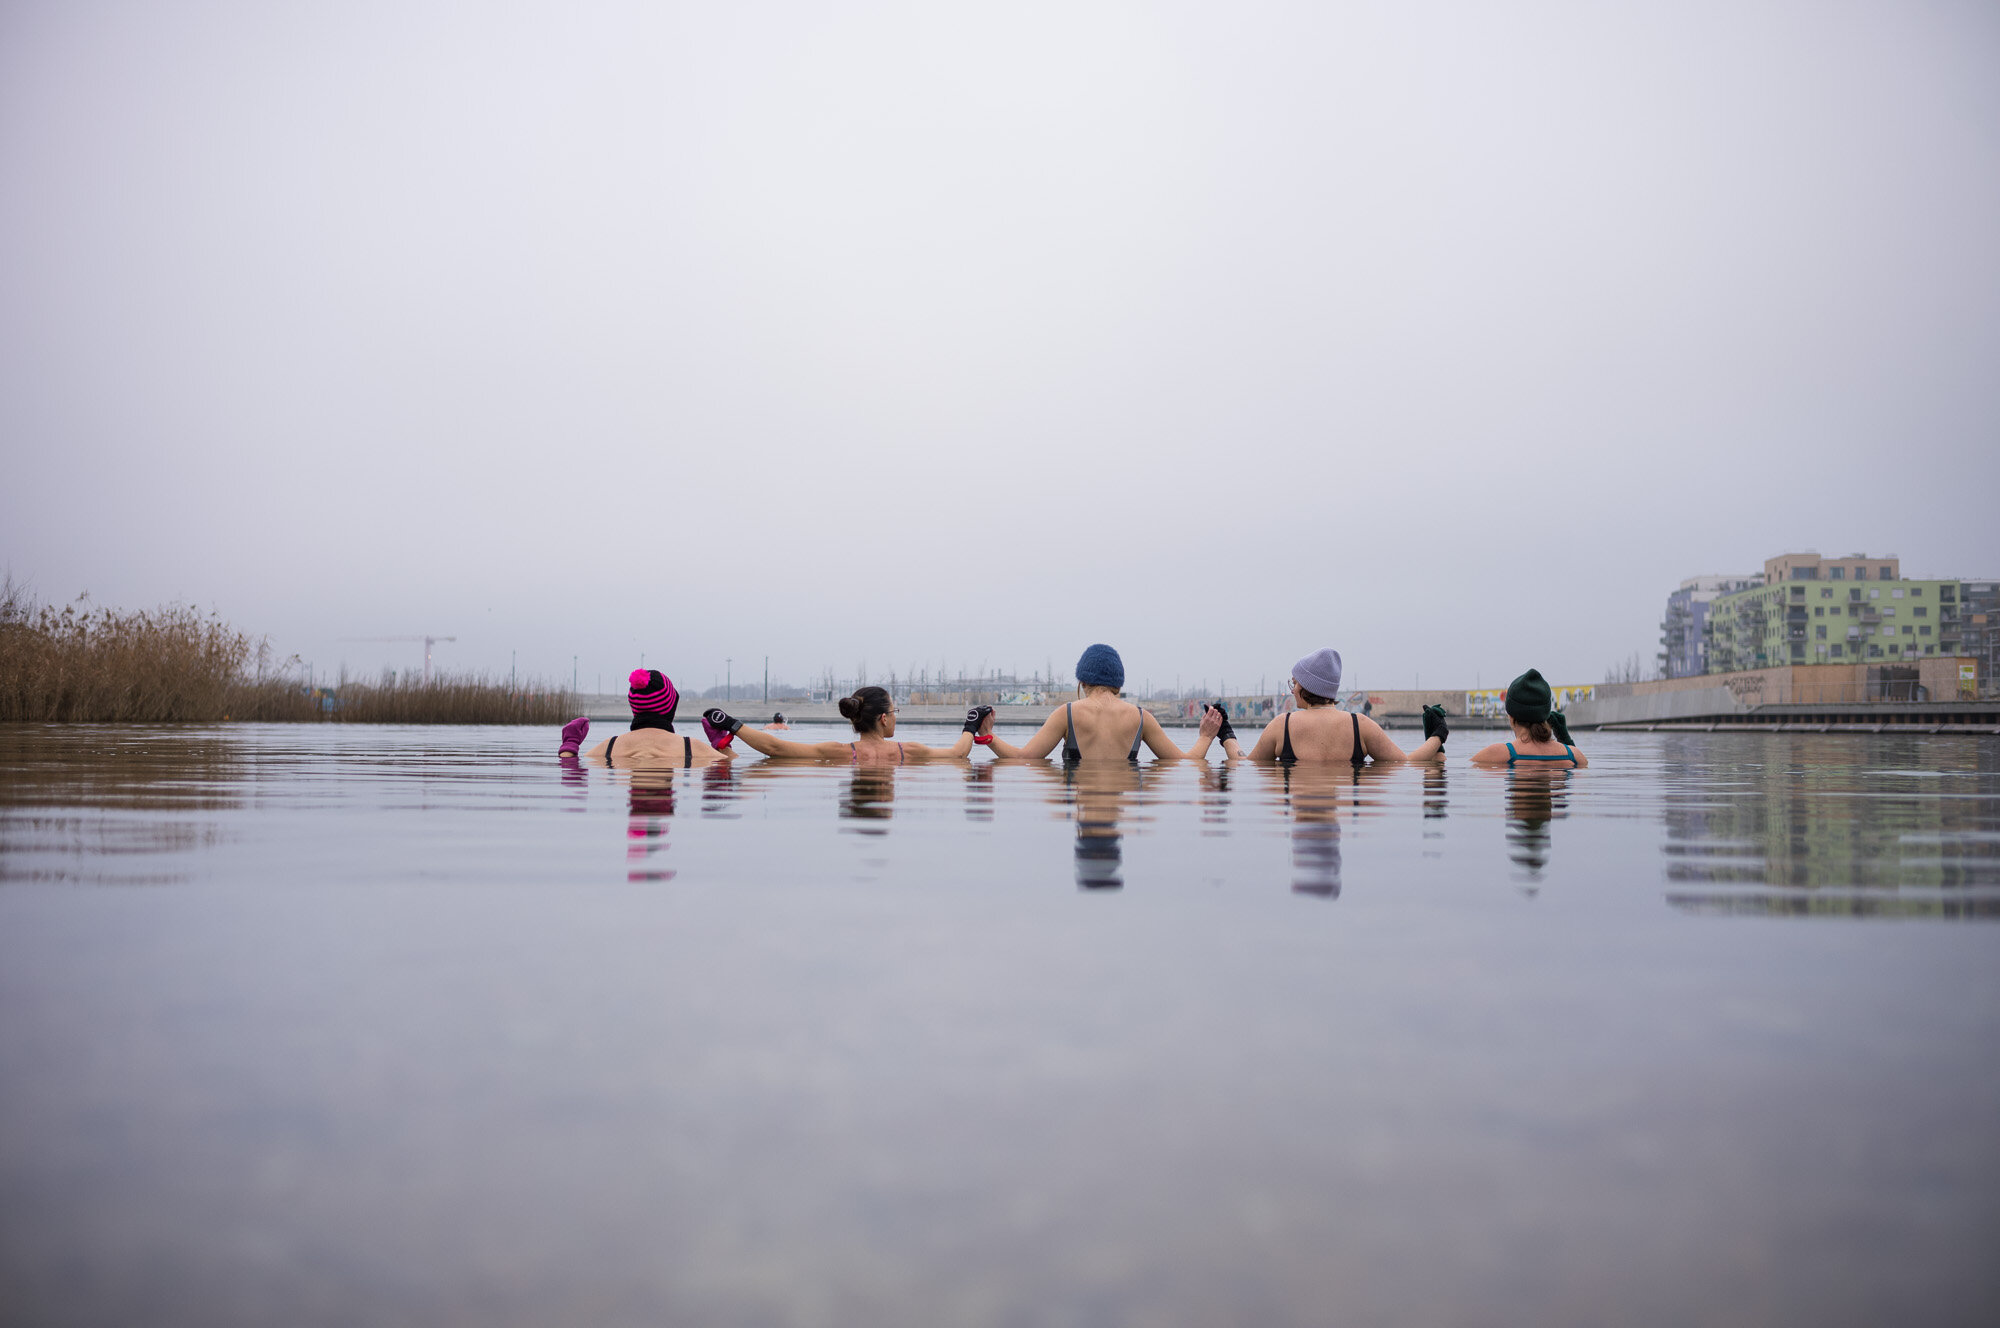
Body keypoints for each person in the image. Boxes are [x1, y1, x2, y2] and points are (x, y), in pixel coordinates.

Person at [981, 644, 1220, 762]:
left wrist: (988, 736)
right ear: (1118, 683)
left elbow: (1025, 760)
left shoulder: (1066, 714)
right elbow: (1184, 764)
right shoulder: (1141, 718)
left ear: (1082, 680)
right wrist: (1206, 737)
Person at [1213, 649, 1444, 764]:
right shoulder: (1360, 725)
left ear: (1305, 686)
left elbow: (1244, 764)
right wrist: (1437, 736)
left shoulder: (1281, 725)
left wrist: (1226, 733)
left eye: (1294, 683)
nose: (1292, 689)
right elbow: (1405, 764)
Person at [700, 686, 983, 766]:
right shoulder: (909, 752)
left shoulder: (836, 752)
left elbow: (775, 748)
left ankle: (719, 739)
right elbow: (959, 754)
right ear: (884, 718)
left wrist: (731, 723)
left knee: (725, 760)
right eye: (894, 711)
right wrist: (972, 722)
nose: (896, 716)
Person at [557, 669, 733, 768]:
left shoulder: (608, 747)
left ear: (635, 706)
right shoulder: (692, 747)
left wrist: (570, 745)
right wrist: (722, 744)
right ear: (671, 705)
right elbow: (727, 767)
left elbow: (567, 765)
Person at [1469, 669, 1587, 768]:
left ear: (1510, 715)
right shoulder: (1575, 756)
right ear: (1546, 714)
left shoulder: (1496, 754)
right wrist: (1565, 740)